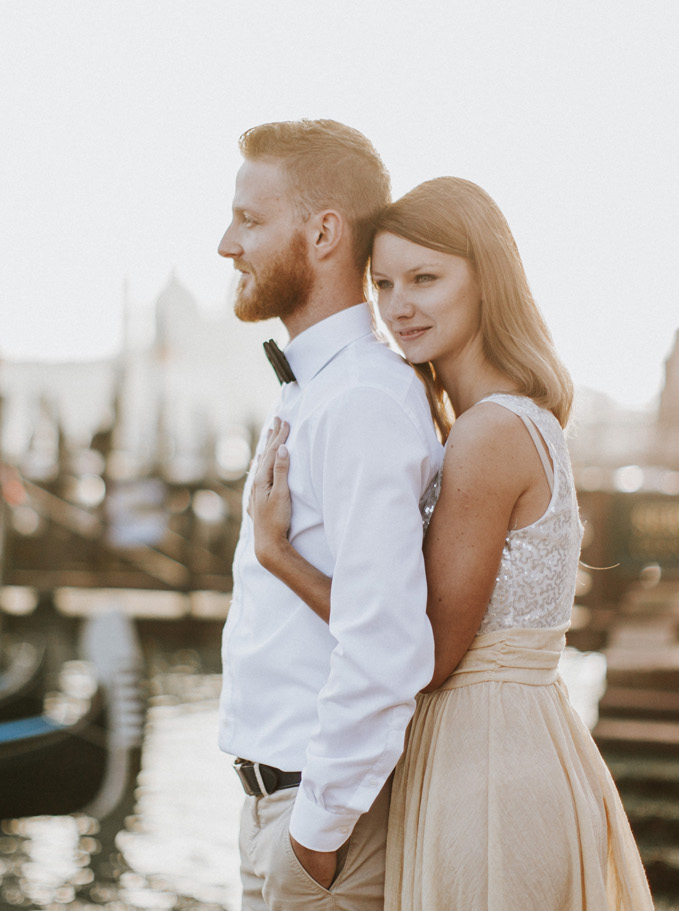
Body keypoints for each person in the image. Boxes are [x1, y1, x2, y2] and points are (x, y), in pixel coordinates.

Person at [250, 177, 653, 910]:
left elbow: (425, 654)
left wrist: (281, 557)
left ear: (486, 278)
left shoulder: (488, 433)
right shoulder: (502, 421)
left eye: (426, 278)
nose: (398, 304)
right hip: (505, 744)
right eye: (384, 284)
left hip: (487, 762)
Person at [216, 120, 445, 911]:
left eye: (249, 220)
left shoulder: (359, 400)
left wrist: (310, 841)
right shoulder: (316, 386)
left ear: (321, 232)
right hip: (281, 812)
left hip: (320, 834)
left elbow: (386, 643)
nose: (226, 244)